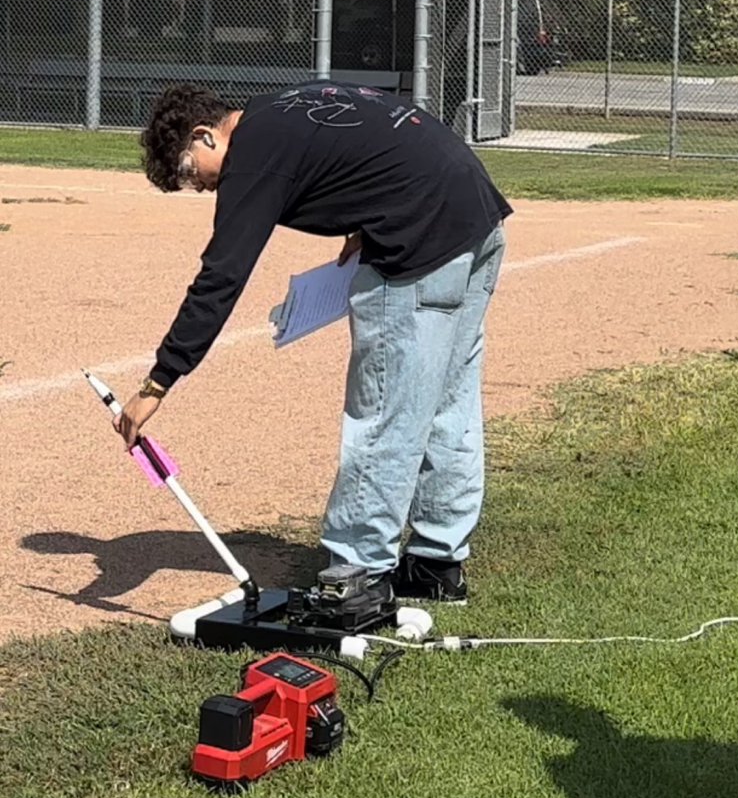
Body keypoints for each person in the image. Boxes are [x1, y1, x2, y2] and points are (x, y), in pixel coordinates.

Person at [115, 80, 511, 605]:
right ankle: (437, 562)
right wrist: (366, 210)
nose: (202, 188)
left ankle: (358, 572)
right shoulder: (279, 110)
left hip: (420, 240)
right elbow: (372, 142)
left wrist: (159, 380)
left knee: (384, 410)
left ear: (205, 135)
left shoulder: (252, 156)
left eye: (191, 173)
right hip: (474, 218)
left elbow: (221, 277)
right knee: (449, 400)